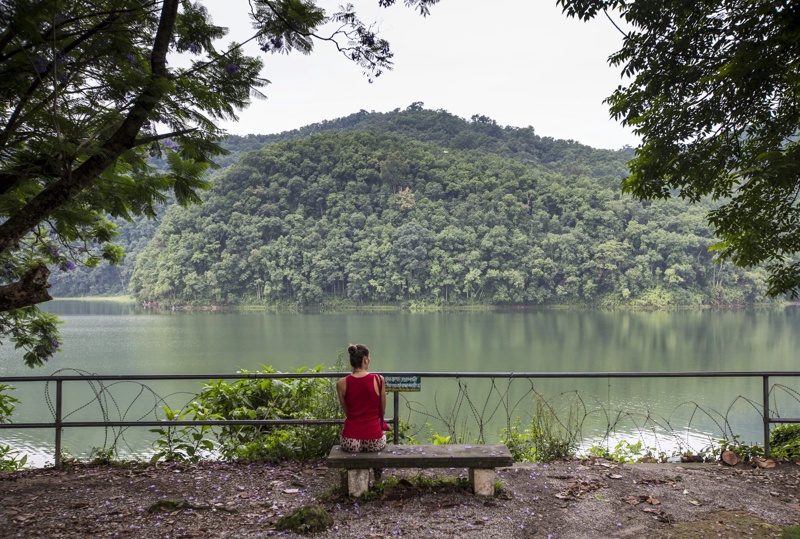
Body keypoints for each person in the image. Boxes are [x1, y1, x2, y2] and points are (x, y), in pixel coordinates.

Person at [336, 343, 387, 452]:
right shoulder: (379, 380)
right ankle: (377, 470)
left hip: (350, 439)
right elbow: (382, 411)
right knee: (379, 446)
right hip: (374, 439)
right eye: (369, 358)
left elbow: (347, 412)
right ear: (365, 360)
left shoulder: (341, 383)